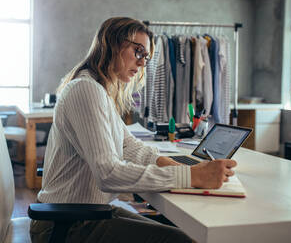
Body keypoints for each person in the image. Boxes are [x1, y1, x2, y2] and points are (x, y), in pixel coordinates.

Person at [30, 17, 237, 243]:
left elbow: (130, 147)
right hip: (66, 225)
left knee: (184, 235)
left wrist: (183, 167)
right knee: (182, 240)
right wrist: (191, 176)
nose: (141, 63)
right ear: (112, 44)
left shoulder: (98, 91)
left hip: (85, 214)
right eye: (138, 51)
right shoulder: (85, 90)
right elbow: (108, 174)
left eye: (145, 57)